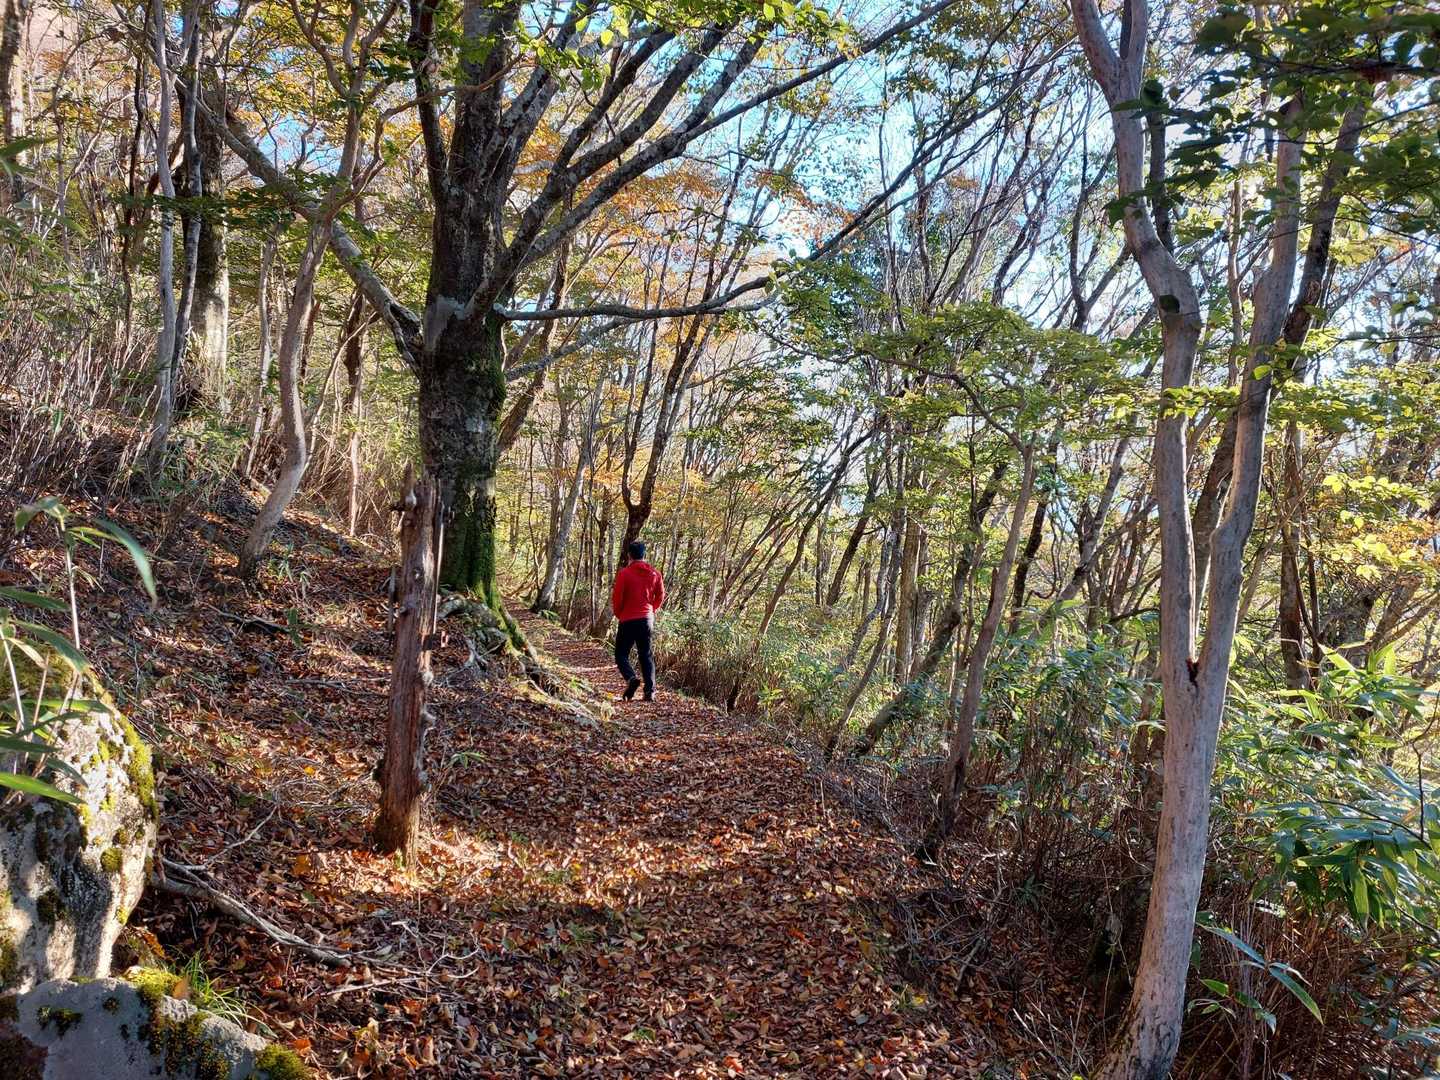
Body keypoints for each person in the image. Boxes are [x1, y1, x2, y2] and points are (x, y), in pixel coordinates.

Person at [611, 540, 665, 701]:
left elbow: (617, 598)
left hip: (627, 619)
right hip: (646, 620)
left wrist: (620, 614)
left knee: (621, 654)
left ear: (629, 555)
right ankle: (650, 691)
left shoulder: (624, 574)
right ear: (644, 554)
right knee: (645, 655)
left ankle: (631, 678)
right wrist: (652, 610)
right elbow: (661, 595)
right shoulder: (655, 574)